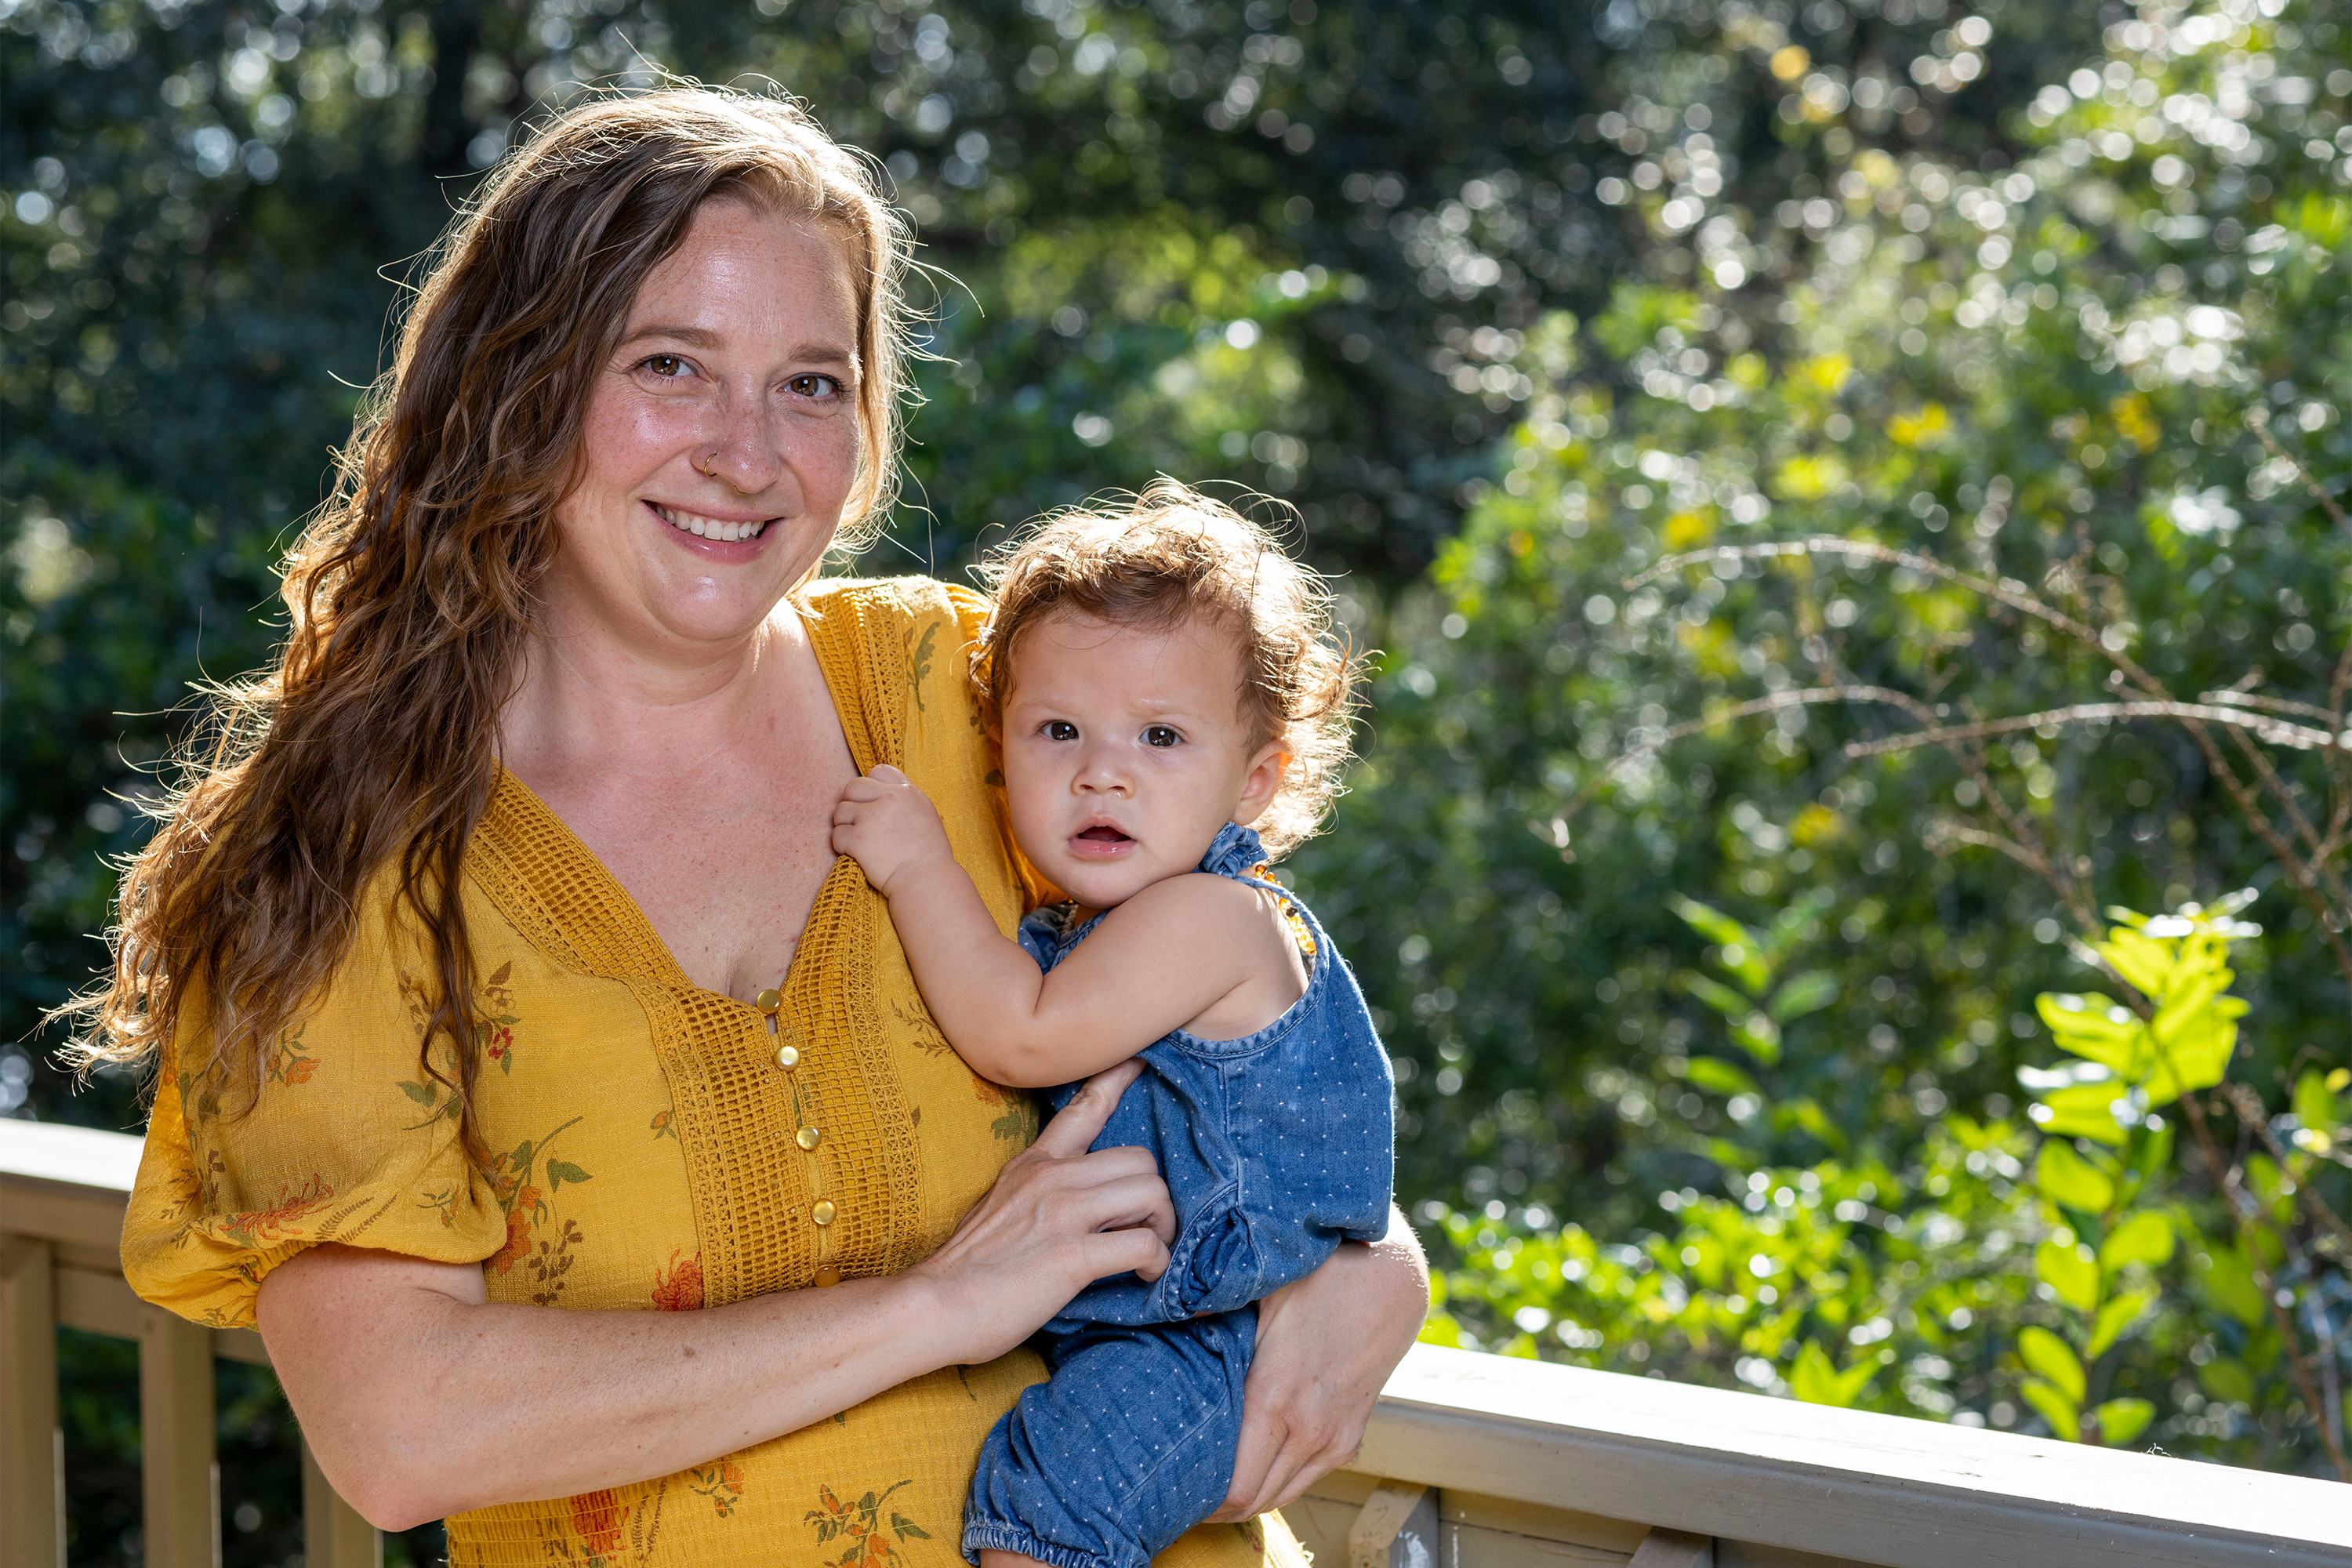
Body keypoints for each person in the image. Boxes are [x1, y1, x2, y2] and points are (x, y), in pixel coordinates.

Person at [87, 88, 1428, 1567]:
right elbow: (401, 1431)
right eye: (672, 366)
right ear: (517, 387)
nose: (748, 454)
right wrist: (944, 1306)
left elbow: (1251, 1028)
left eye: (810, 383)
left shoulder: (971, 696)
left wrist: (1376, 1267)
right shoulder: (352, 847)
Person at [831, 488, 1393, 1568]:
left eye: (1162, 735)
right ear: (1000, 751)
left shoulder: (1208, 919)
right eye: (1058, 730)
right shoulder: (1115, 919)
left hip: (1206, 1341)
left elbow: (1022, 1036)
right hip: (1174, 1330)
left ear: (1254, 782)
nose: (1103, 768)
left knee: (1054, 1501)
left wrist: (915, 864)